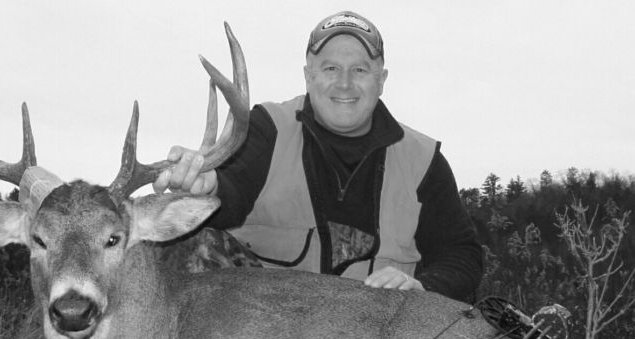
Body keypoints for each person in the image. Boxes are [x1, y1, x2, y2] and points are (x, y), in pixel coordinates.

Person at [154, 10, 482, 302]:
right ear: (308, 75)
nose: (344, 83)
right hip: (266, 331)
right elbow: (233, 190)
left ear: (381, 81)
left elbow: (461, 254)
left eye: (359, 70)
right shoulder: (268, 128)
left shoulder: (422, 160)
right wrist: (209, 188)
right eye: (330, 68)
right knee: (189, 243)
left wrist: (422, 288)